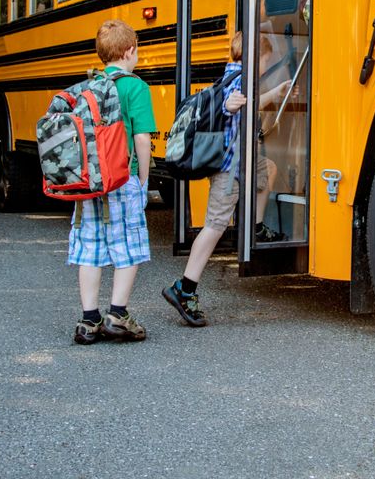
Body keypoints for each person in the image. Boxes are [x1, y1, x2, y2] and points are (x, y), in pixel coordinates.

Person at [163, 31, 286, 327]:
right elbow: (232, 104)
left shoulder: (230, 75)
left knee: (267, 169)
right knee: (214, 226)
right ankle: (185, 288)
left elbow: (246, 103)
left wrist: (273, 94)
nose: (266, 64)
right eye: (266, 59)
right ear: (257, 56)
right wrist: (232, 106)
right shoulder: (240, 81)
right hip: (229, 170)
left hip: (242, 163)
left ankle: (255, 227)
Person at [71, 19, 157, 345]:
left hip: (89, 181)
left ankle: (88, 320)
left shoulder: (87, 86)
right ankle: (117, 314)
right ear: (129, 50)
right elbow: (143, 139)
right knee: (128, 247)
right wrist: (144, 181)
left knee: (90, 247)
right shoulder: (135, 86)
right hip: (122, 179)